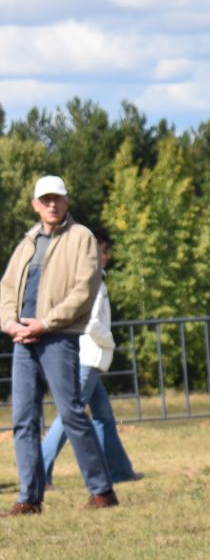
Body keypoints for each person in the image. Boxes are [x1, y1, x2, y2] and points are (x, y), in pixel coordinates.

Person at [4, 176, 111, 514]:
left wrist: (46, 322)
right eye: (45, 199)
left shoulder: (82, 238)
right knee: (23, 419)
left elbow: (84, 290)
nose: (52, 205)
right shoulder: (27, 242)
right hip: (23, 341)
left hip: (59, 337)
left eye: (57, 199)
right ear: (35, 204)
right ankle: (29, 498)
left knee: (70, 412)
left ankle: (102, 491)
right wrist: (10, 324)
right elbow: (6, 289)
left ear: (66, 202)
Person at [42, 231, 137, 486]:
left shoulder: (91, 279)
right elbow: (92, 323)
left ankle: (120, 471)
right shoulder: (91, 281)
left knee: (103, 416)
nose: (106, 256)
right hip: (88, 357)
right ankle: (40, 470)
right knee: (69, 416)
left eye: (106, 251)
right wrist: (112, 342)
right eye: (102, 251)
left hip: (90, 358)